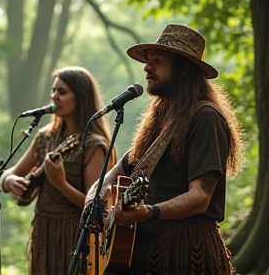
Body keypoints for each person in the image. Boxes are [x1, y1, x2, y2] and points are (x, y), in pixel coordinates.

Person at [85, 24, 244, 275]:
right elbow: (116, 170)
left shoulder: (205, 117)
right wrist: (93, 200)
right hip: (146, 252)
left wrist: (148, 212)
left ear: (183, 69)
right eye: (148, 61)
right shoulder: (159, 120)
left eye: (157, 61)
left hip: (187, 252)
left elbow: (200, 197)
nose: (147, 67)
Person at [0, 66, 116, 275]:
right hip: (43, 232)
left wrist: (60, 184)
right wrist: (8, 182)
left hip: (76, 237)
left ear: (81, 97)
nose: (54, 96)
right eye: (53, 91)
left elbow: (96, 208)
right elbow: (11, 172)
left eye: (62, 92)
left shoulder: (94, 146)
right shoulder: (45, 137)